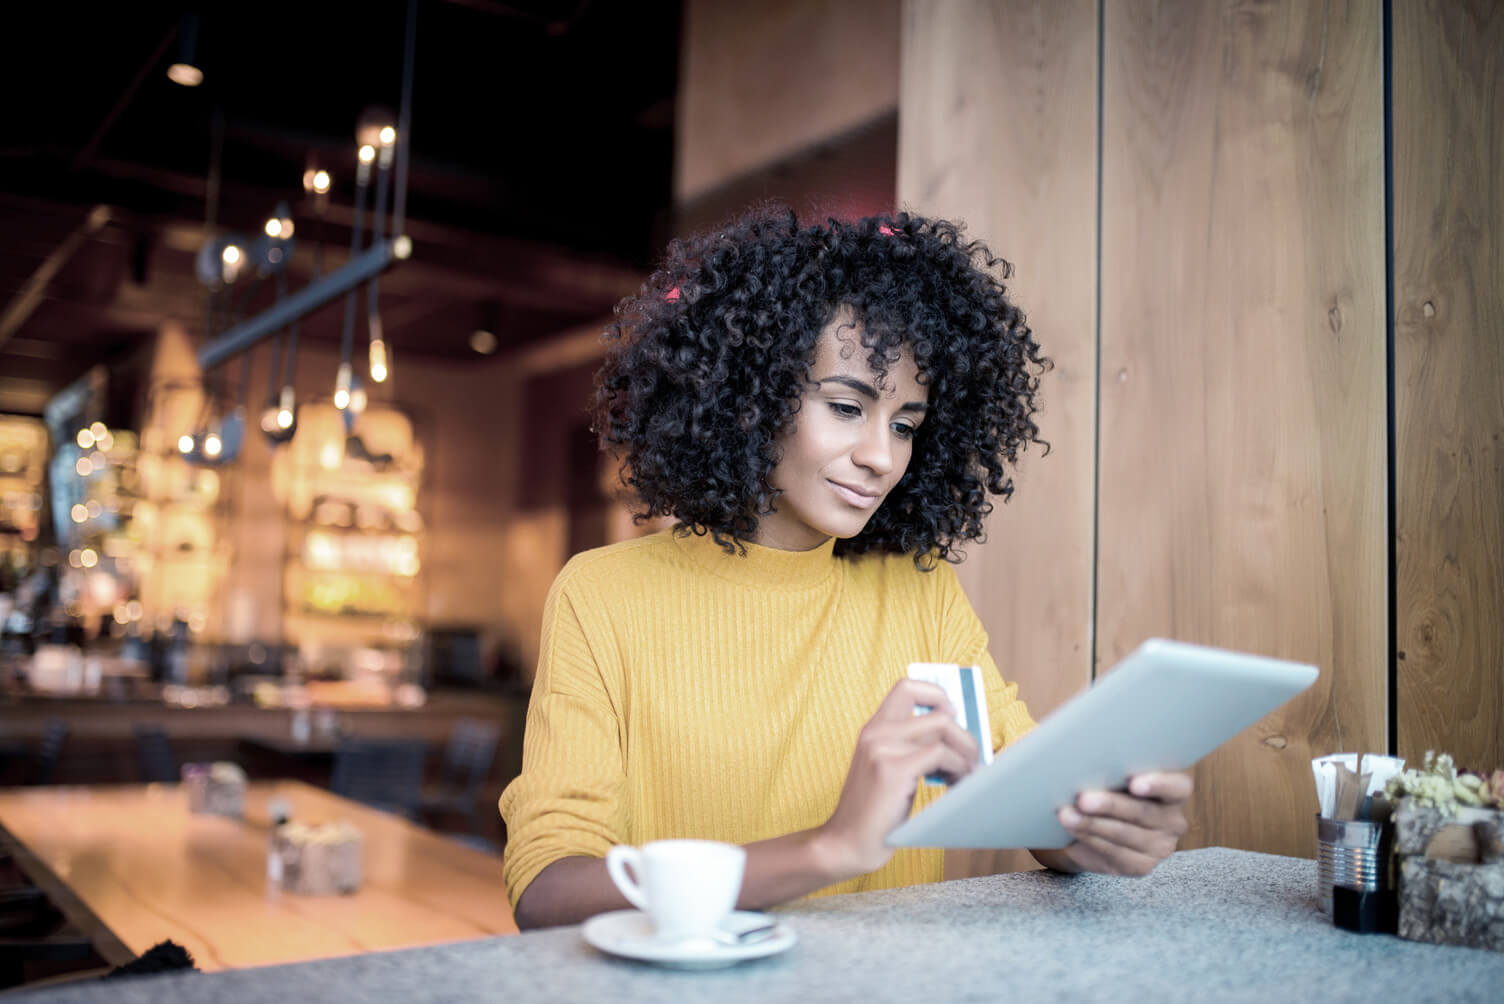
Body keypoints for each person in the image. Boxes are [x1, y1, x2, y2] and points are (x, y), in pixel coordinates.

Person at [499, 206, 1191, 929]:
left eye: (904, 425)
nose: (881, 457)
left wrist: (1102, 824)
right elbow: (549, 890)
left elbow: (1030, 799)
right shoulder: (604, 596)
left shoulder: (917, 591)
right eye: (845, 406)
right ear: (749, 397)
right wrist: (828, 848)